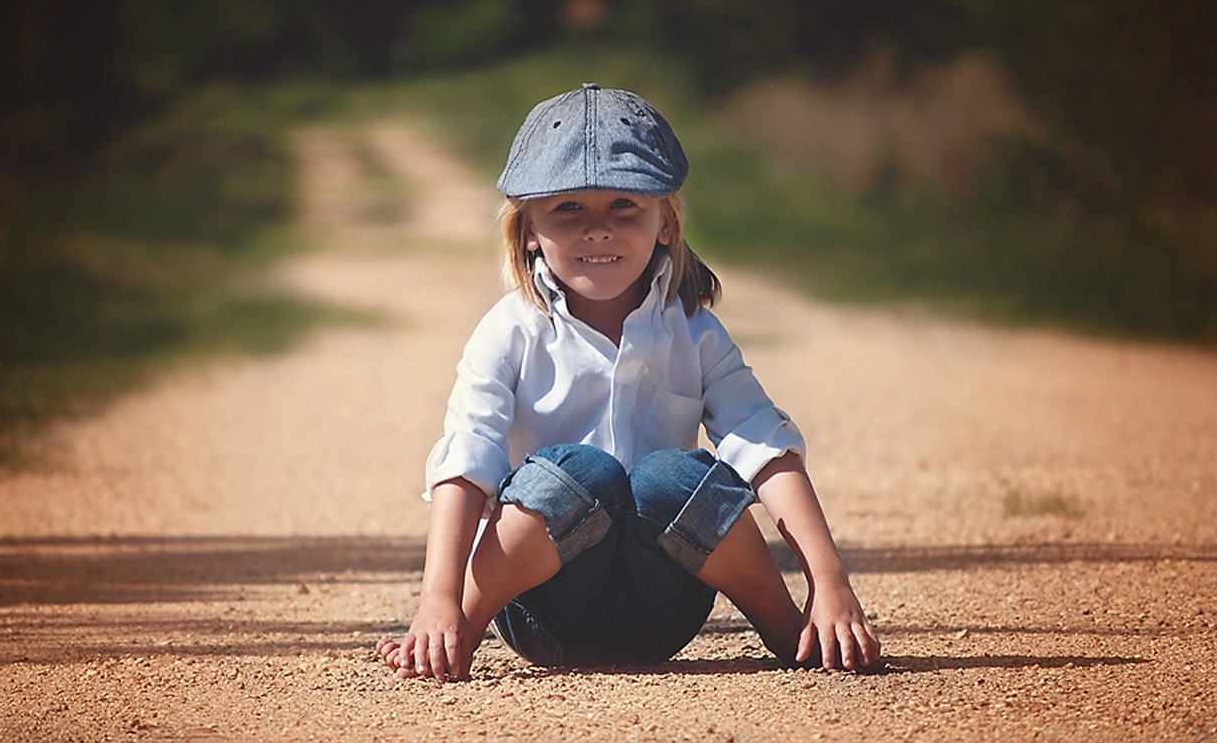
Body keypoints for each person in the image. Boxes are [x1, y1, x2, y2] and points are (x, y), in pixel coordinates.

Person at [377, 84, 879, 681]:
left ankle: (786, 625)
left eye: (623, 206)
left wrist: (830, 579)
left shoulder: (694, 331)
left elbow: (763, 446)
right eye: (568, 209)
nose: (597, 230)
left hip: (661, 610)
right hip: (543, 611)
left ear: (664, 222)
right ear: (528, 230)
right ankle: (459, 627)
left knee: (671, 477)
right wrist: (438, 600)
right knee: (584, 473)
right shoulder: (509, 330)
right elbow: (468, 457)